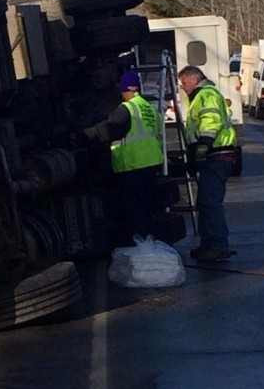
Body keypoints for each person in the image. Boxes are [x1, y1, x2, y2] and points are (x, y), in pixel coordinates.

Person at [80, 69, 165, 244]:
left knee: (135, 209)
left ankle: (139, 244)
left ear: (124, 89)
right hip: (151, 164)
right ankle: (149, 243)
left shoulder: (126, 108)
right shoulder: (149, 108)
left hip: (133, 166)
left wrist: (87, 133)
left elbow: (110, 127)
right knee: (146, 207)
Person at [177, 65, 239, 262]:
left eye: (184, 83)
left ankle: (218, 245)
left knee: (210, 202)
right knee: (205, 202)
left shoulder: (206, 94)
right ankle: (208, 244)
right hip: (216, 154)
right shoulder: (201, 96)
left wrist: (203, 146)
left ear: (194, 80)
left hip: (217, 154)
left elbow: (211, 120)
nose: (183, 88)